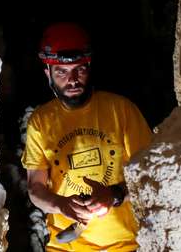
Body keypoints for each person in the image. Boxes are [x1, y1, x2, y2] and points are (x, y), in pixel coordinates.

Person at [22, 22, 152, 251]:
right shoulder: (40, 122)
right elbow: (36, 188)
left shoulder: (121, 110)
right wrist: (61, 204)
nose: (72, 79)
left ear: (89, 67)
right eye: (62, 72)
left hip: (124, 244)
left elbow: (150, 176)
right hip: (66, 246)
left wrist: (113, 195)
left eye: (79, 69)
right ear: (48, 73)